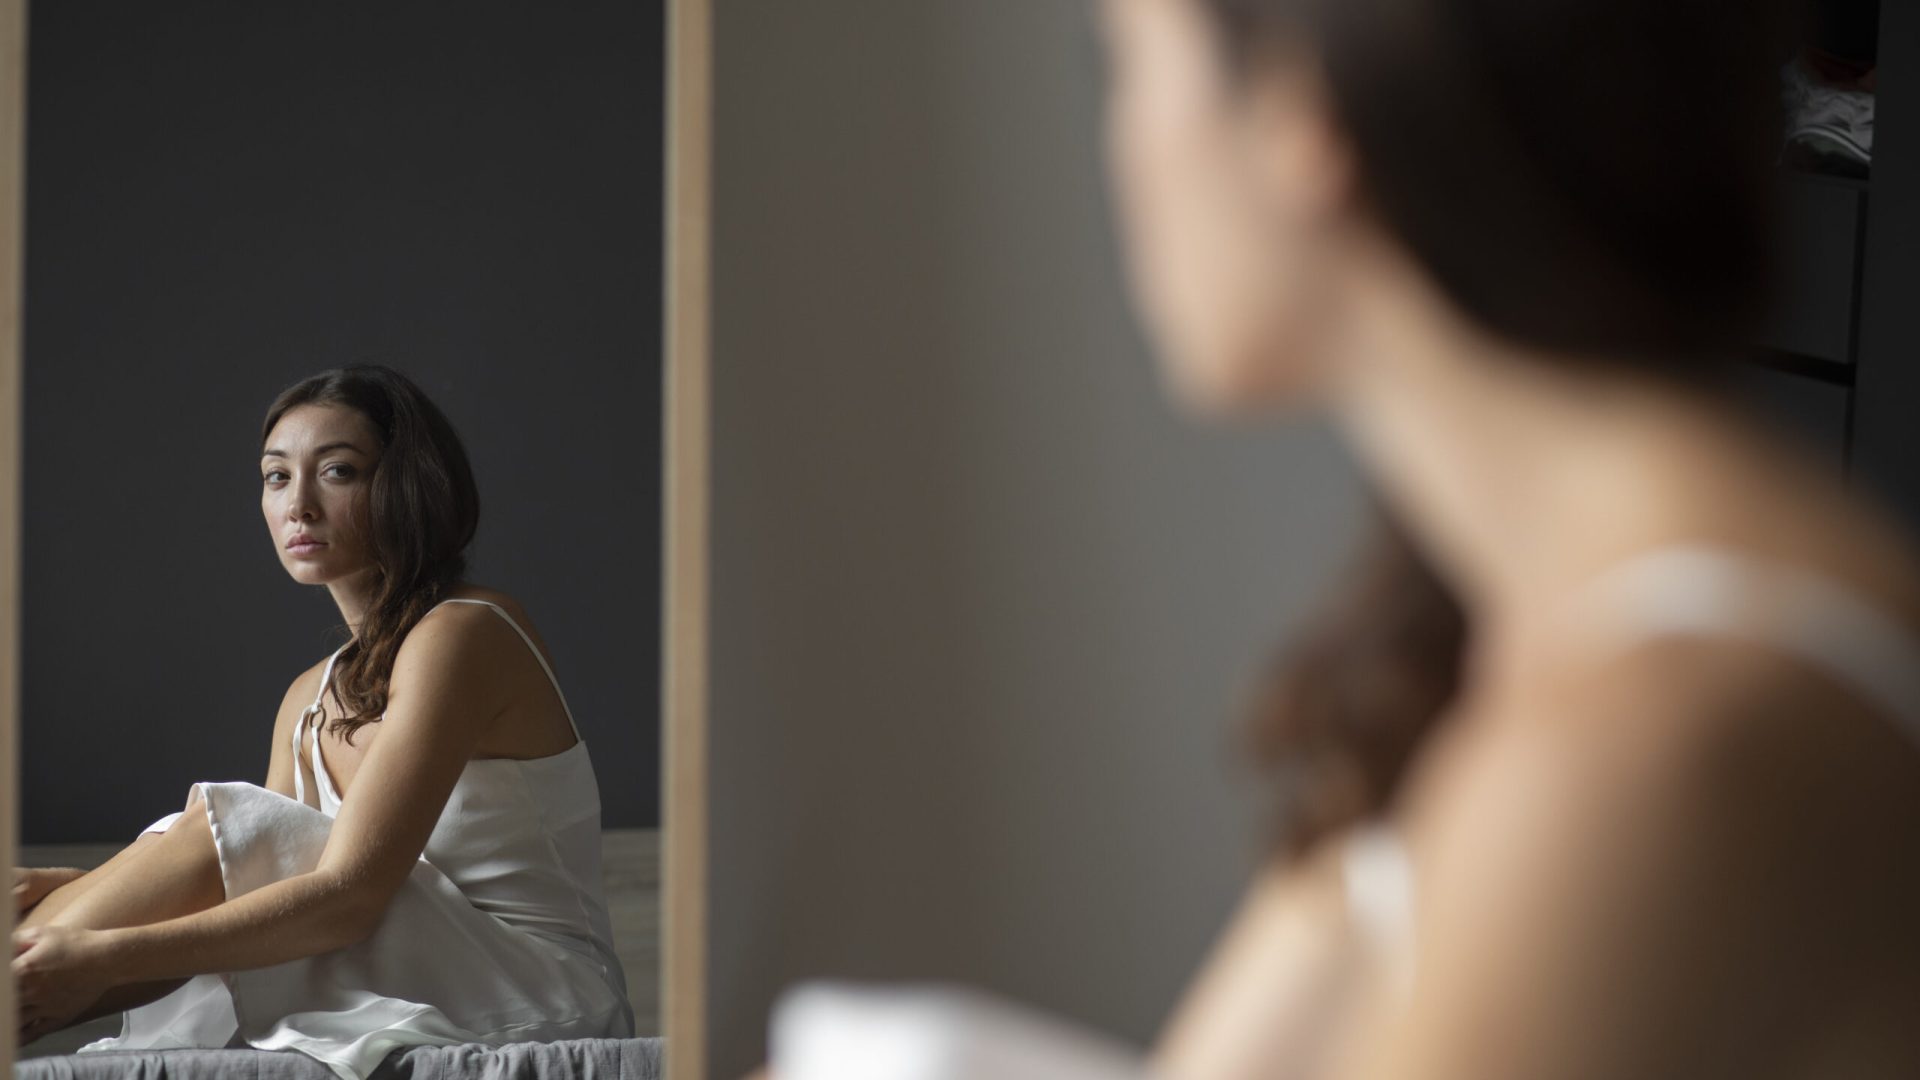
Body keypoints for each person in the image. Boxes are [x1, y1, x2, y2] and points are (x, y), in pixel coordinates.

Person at [763, 0, 1920, 1077]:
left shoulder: (1650, 748)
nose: (1119, 150)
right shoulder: (1484, 642)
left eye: (1125, 65)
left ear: (1300, 124)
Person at [11, 364, 634, 1079]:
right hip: (397, 966)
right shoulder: (308, 697)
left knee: (235, 818)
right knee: (221, 833)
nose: (298, 505)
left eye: (337, 471)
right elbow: (257, 893)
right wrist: (76, 890)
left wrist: (104, 953)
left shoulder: (465, 631)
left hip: (536, 988)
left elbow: (347, 897)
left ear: (408, 486)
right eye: (276, 477)